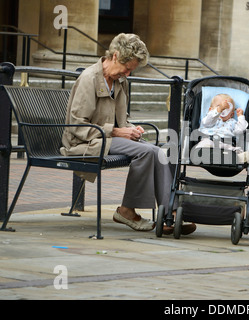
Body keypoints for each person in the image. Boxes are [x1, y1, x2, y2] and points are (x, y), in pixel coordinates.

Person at [60, 33, 195, 235]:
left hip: (107, 139)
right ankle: (126, 211)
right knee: (147, 152)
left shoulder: (120, 81)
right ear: (115, 56)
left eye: (131, 70)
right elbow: (76, 126)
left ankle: (170, 213)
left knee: (157, 151)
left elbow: (121, 118)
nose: (128, 74)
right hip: (84, 143)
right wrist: (116, 131)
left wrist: (130, 129)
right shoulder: (89, 78)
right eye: (127, 68)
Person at [196, 94, 249, 162]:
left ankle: (238, 158)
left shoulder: (232, 122)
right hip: (210, 141)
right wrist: (218, 110)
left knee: (234, 149)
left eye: (227, 108)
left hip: (226, 143)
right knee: (205, 144)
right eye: (219, 106)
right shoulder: (211, 119)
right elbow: (207, 122)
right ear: (210, 110)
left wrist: (240, 116)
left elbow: (240, 130)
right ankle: (204, 152)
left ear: (231, 114)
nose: (223, 109)